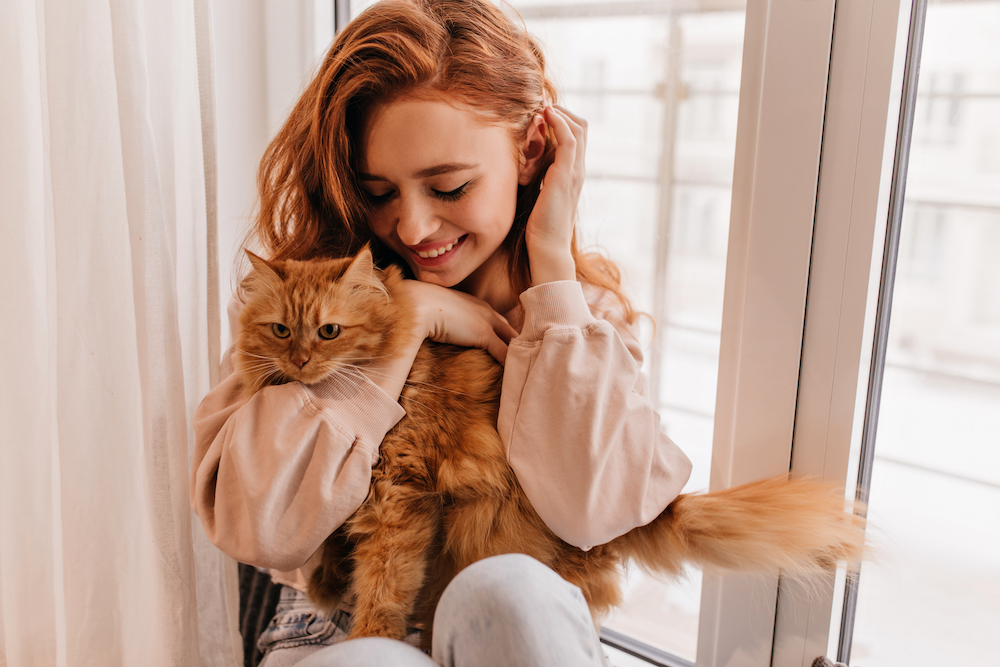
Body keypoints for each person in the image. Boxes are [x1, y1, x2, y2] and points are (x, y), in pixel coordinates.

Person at [190, 0, 692, 664]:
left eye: (449, 187)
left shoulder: (583, 317)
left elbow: (593, 513)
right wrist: (407, 321)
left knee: (513, 590)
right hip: (336, 626)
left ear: (530, 150)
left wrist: (550, 264)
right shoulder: (303, 298)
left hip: (513, 631)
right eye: (379, 193)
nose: (414, 229)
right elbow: (258, 524)